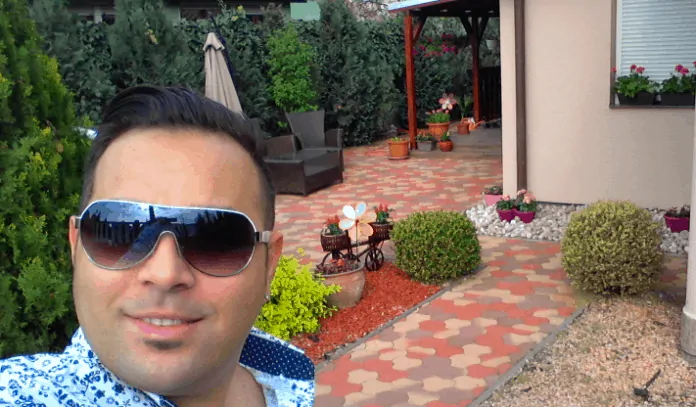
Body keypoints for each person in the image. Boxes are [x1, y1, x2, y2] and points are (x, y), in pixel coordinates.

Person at [0, 86, 315, 407]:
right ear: (76, 247)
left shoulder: (288, 371)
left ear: (269, 265)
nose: (165, 274)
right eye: (121, 230)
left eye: (215, 238)